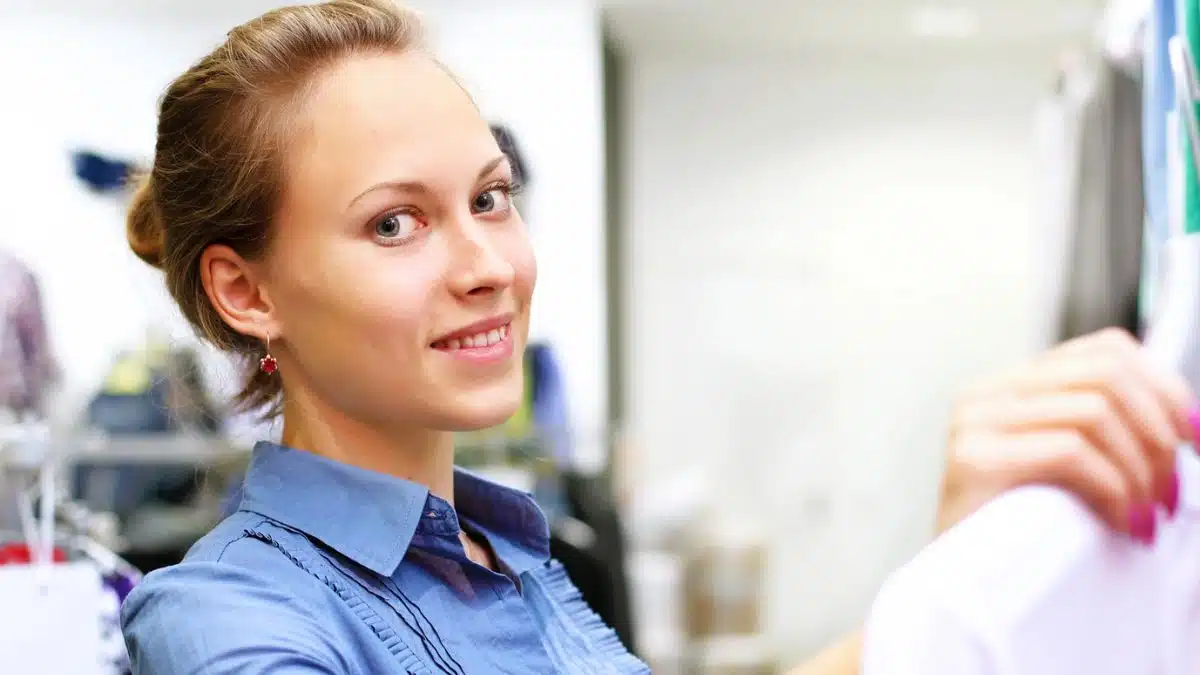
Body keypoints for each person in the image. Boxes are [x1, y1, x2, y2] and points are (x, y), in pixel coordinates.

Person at [118, 1, 1200, 673]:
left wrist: (952, 577)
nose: (488, 264)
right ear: (246, 291)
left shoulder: (516, 559)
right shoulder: (228, 622)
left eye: (491, 199)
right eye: (396, 223)